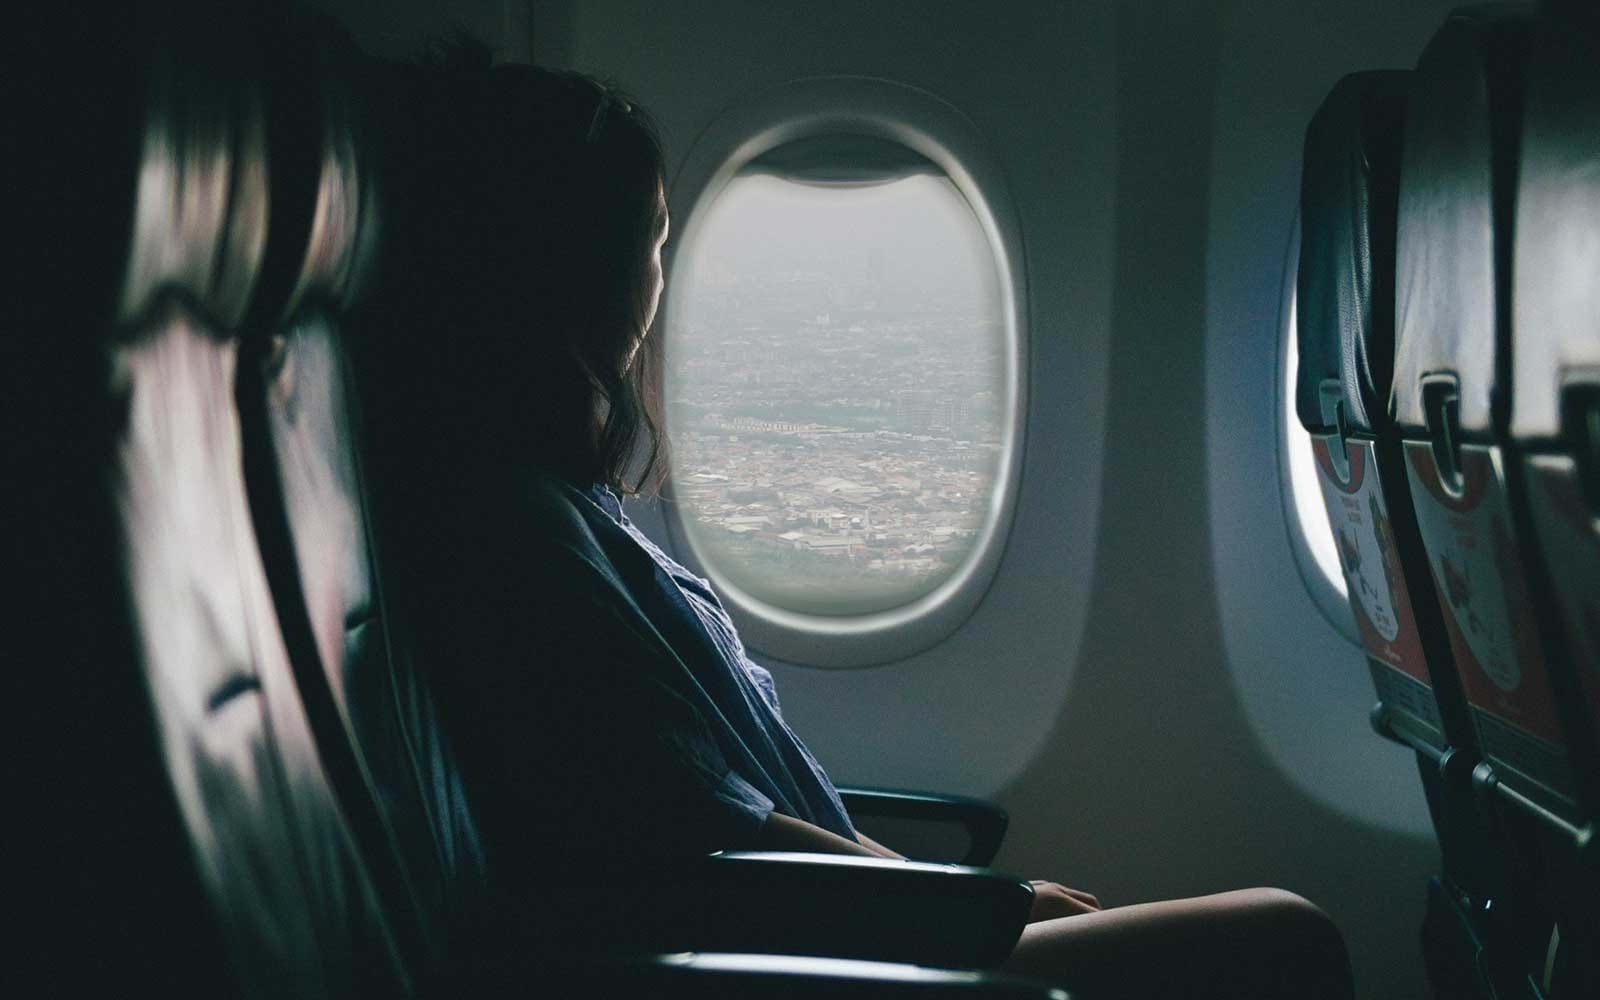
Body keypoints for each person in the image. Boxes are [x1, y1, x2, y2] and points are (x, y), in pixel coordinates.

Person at [379, 47, 1354, 1000]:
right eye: (656, 238)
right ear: (581, 261)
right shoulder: (519, 536)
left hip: (829, 923)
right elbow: (704, 834)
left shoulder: (561, 505)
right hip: (781, 954)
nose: (661, 274)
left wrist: (952, 894)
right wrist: (966, 903)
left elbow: (742, 813)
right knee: (1285, 937)